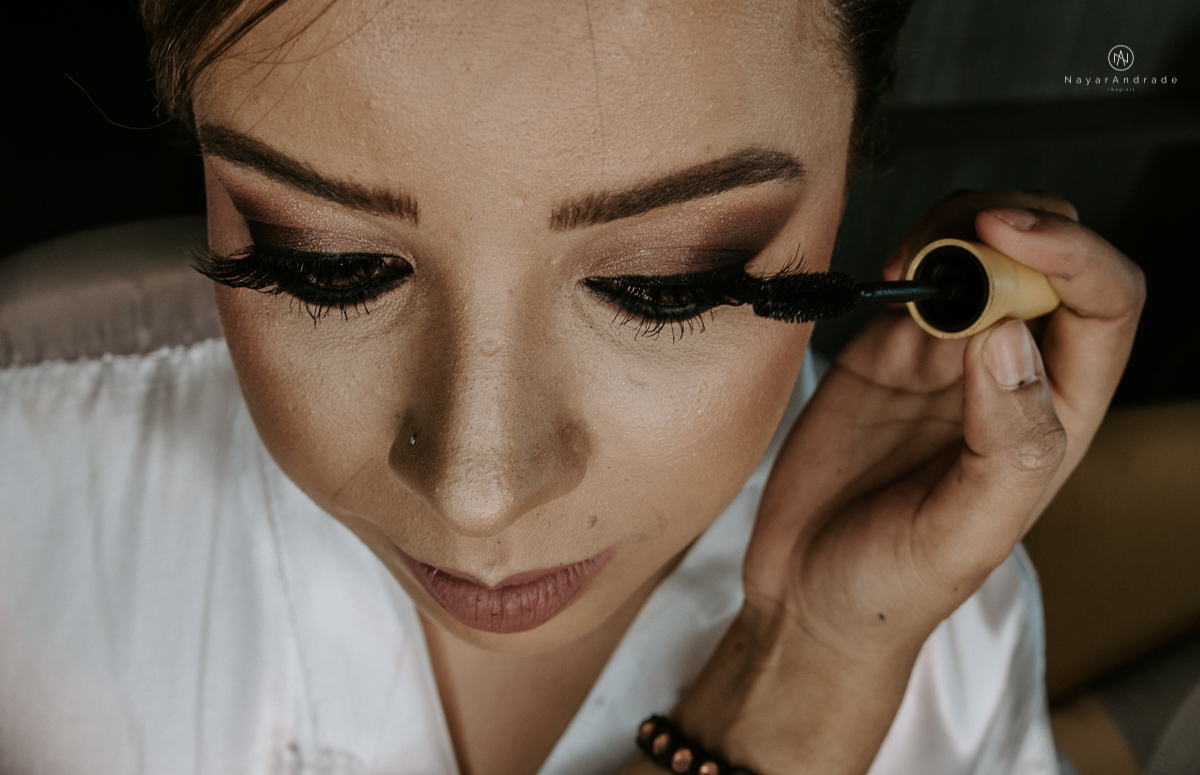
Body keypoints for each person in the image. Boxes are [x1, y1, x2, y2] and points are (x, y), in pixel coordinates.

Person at [0, 1, 1145, 773]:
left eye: (665, 286)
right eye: (327, 267)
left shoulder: (939, 629)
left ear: (853, 159)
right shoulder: (27, 464)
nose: (478, 492)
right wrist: (793, 700)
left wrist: (833, 644)